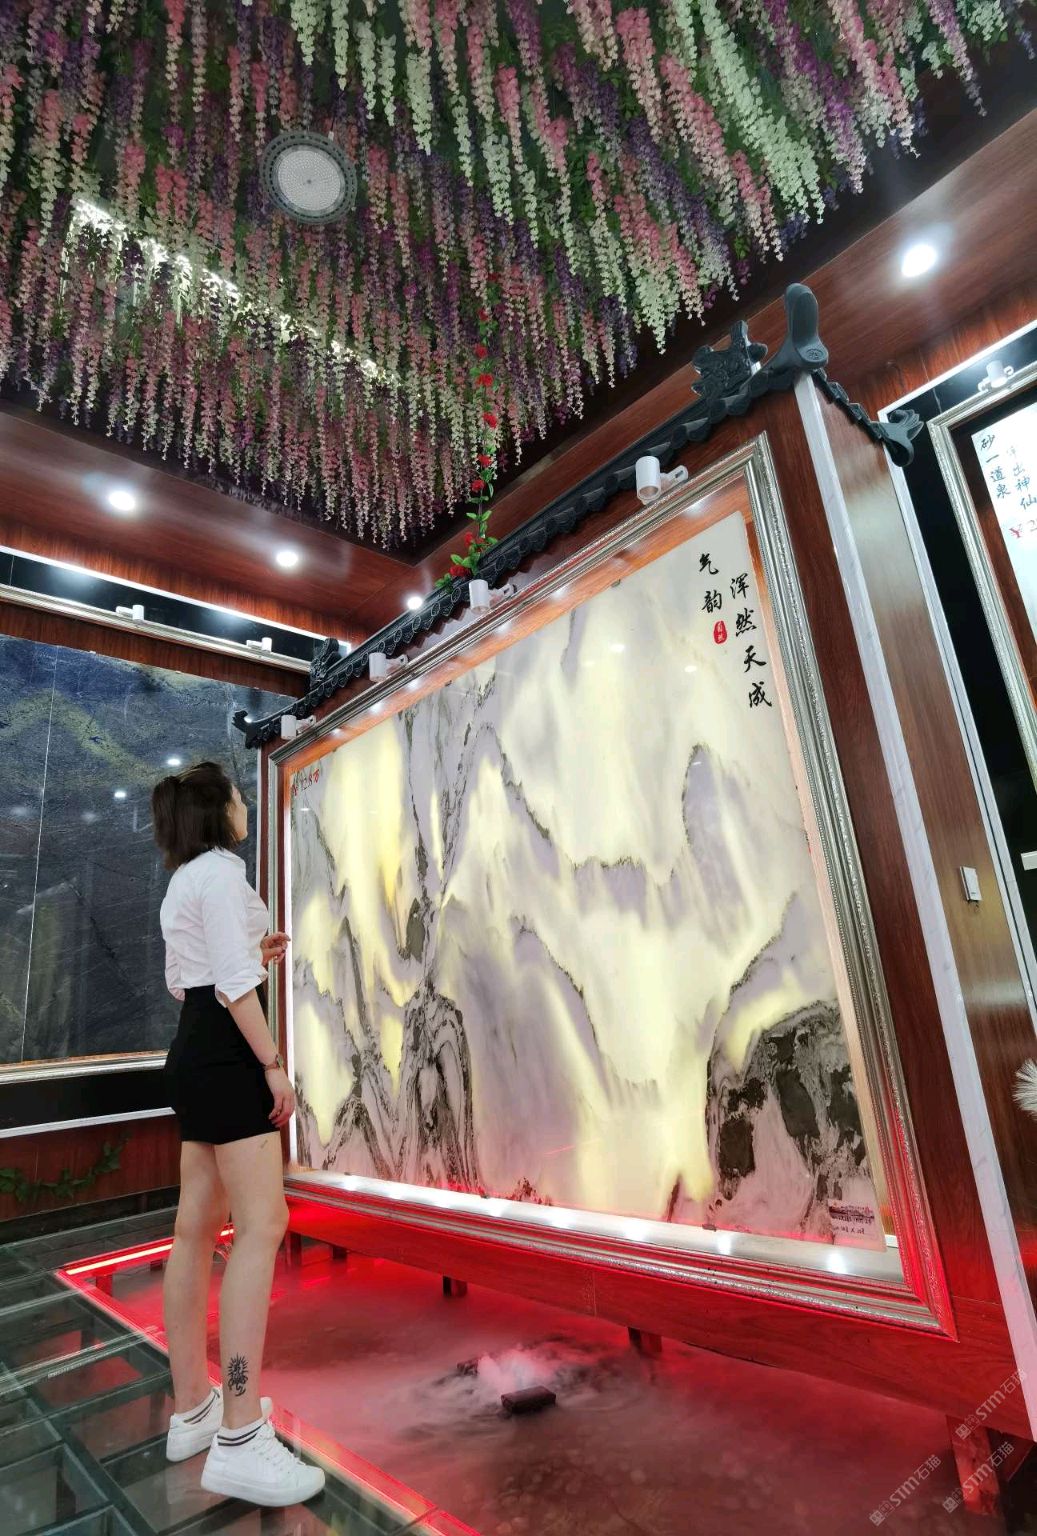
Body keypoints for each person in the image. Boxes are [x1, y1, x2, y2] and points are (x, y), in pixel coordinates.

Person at [151, 760, 325, 1508]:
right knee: (262, 1224)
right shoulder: (222, 874)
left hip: (193, 1049)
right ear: (219, 810)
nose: (246, 805)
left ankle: (193, 1408)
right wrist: (274, 1065)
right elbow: (231, 987)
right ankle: (241, 1433)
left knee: (195, 1228)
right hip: (226, 1054)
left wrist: (251, 955)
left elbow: (188, 982)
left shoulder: (183, 880)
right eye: (239, 796)